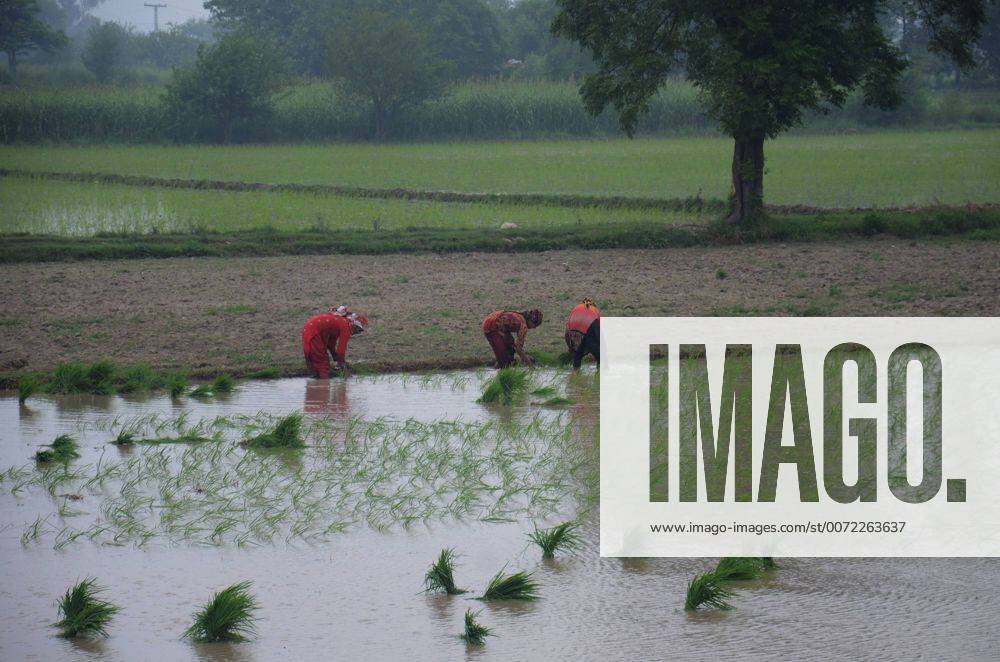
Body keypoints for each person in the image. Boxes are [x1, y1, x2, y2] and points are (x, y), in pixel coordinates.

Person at [301, 310, 368, 378]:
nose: (358, 333)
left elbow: (330, 344)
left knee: (316, 359)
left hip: (309, 329)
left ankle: (316, 380)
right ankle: (323, 381)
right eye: (359, 330)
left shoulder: (340, 322)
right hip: (313, 332)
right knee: (322, 363)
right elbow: (341, 350)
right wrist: (342, 363)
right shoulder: (346, 326)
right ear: (355, 326)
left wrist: (335, 356)